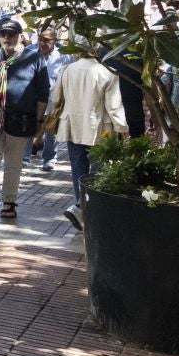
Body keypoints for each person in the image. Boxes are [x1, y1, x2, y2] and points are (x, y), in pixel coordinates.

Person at [0, 20, 48, 225]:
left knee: (13, 163)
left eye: (11, 34)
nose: (6, 37)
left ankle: (9, 202)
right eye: (3, 34)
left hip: (22, 121)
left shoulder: (34, 58)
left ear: (20, 36)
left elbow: (42, 94)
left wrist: (39, 123)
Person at [47, 49, 128, 229]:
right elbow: (114, 106)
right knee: (98, 172)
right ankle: (86, 211)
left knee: (78, 170)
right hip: (100, 128)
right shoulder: (107, 72)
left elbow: (56, 97)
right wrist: (122, 128)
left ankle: (81, 209)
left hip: (72, 125)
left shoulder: (67, 70)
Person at [24, 28, 65, 170]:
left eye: (46, 40)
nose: (42, 43)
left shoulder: (64, 56)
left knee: (51, 132)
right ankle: (25, 157)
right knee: (29, 128)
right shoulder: (28, 52)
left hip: (53, 100)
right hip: (31, 100)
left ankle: (49, 159)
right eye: (40, 39)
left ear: (55, 40)